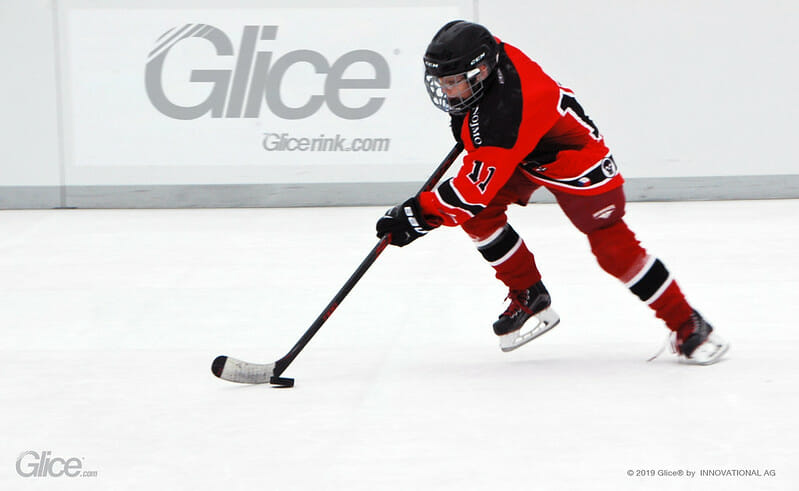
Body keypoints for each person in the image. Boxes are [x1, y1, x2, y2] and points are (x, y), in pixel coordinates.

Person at [375, 20, 729, 365]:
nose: (448, 91)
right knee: (481, 217)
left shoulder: (508, 111)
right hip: (525, 154)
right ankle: (530, 294)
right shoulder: (489, 56)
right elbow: (481, 168)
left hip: (576, 162)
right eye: (442, 82)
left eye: (454, 82)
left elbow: (470, 193)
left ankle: (688, 323)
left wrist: (416, 216)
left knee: (613, 249)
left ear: (482, 71)